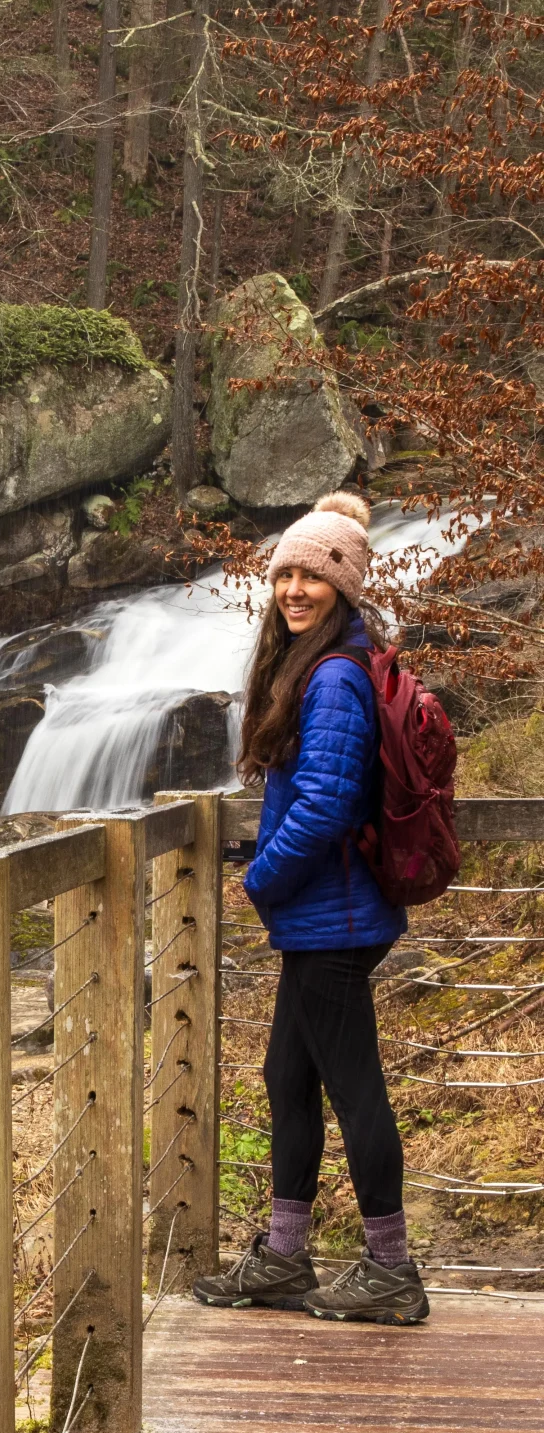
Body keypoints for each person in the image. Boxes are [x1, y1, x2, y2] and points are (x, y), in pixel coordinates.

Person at [193, 491, 429, 1326]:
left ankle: (392, 1268)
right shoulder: (327, 665)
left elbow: (326, 804)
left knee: (354, 1088)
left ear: (346, 587)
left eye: (314, 576)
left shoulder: (333, 677)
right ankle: (286, 1259)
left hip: (336, 917)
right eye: (286, 572)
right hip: (325, 916)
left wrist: (260, 880)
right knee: (287, 1076)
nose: (295, 589)